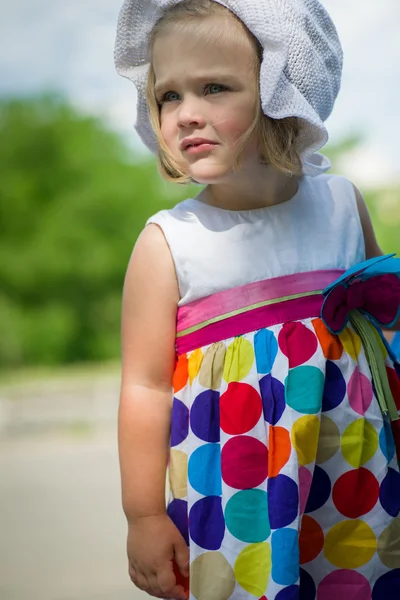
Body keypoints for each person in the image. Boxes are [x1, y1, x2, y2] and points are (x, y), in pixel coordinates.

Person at [114, 1, 400, 599]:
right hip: (236, 489)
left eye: (213, 87)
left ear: (279, 90)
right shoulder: (169, 243)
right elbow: (145, 386)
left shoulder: (341, 204)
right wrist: (143, 516)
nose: (187, 114)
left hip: (353, 474)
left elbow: (383, 328)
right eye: (169, 96)